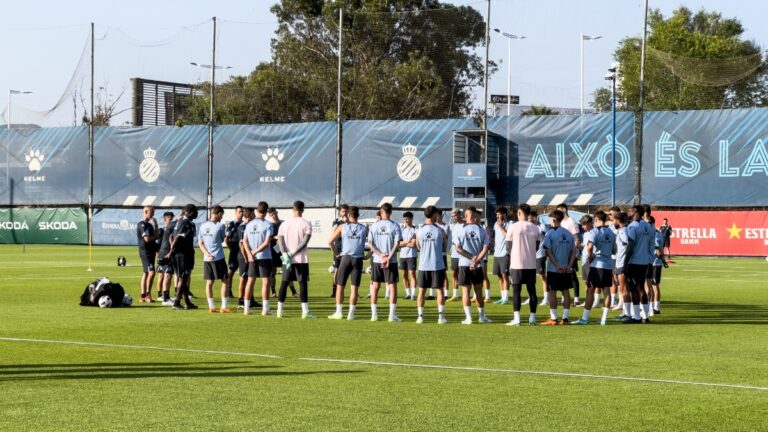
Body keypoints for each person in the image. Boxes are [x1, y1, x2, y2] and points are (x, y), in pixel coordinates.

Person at [574, 211, 615, 325]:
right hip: (607, 265)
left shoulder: (594, 231)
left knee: (590, 291)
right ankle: (604, 319)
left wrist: (591, 255)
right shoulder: (611, 232)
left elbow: (590, 246)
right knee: (607, 292)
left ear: (596, 219)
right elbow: (614, 250)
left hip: (596, 264)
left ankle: (585, 318)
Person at [328, 206, 368, 320]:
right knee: (354, 288)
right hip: (358, 259)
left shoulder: (342, 226)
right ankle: (351, 314)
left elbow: (330, 241)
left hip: (345, 258)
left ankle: (339, 312)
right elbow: (372, 244)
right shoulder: (364, 228)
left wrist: (336, 254)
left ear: (348, 215)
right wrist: (368, 255)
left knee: (340, 286)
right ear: (358, 215)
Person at [276, 200, 314, 319]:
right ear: (302, 210)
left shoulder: (284, 224)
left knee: (284, 282)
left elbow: (280, 241)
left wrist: (285, 254)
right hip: (301, 259)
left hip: (286, 259)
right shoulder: (306, 223)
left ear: (293, 209)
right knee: (302, 284)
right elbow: (304, 242)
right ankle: (305, 312)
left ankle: (279, 311)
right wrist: (292, 253)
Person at [454, 206, 491, 325]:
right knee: (478, 291)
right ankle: (481, 317)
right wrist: (476, 260)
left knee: (466, 291)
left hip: (464, 264)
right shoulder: (481, 230)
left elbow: (458, 249)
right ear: (475, 216)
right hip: (477, 265)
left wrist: (471, 259)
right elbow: (486, 248)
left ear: (466, 216)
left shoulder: (460, 229)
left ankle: (469, 318)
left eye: (466, 214)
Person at [505, 204, 540, 326]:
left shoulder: (512, 227)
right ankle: (532, 318)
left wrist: (516, 253)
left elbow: (508, 247)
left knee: (516, 292)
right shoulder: (535, 228)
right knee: (532, 291)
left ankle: (517, 318)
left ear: (519, 212)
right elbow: (536, 247)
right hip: (530, 264)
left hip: (516, 264)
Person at [367, 202, 403, 322]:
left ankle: (374, 315)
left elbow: (370, 244)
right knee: (392, 287)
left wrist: (380, 255)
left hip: (377, 260)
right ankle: (391, 316)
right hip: (391, 261)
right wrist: (388, 257)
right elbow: (397, 244)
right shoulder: (395, 226)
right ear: (391, 212)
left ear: (382, 212)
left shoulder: (374, 226)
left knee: (375, 286)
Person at [541, 209, 576, 325]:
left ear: (554, 219)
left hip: (554, 269)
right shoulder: (568, 234)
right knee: (565, 291)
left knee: (552, 292)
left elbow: (548, 251)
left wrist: (556, 265)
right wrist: (569, 266)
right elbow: (574, 251)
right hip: (566, 268)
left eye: (550, 218)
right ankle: (565, 318)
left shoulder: (550, 233)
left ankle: (554, 318)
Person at [415, 205, 448, 324]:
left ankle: (420, 317)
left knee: (421, 291)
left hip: (423, 265)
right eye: (437, 214)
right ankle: (441, 317)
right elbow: (445, 248)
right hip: (437, 265)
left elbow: (418, 247)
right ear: (434, 214)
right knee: (440, 291)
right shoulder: (440, 230)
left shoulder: (418, 231)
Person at [623, 205, 655, 324]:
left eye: (630, 210)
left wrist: (625, 263)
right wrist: (650, 258)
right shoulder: (648, 226)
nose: (628, 212)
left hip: (634, 262)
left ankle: (636, 317)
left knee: (634, 289)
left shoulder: (632, 227)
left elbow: (630, 246)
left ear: (636, 212)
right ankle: (645, 316)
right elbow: (652, 243)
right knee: (641, 287)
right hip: (644, 262)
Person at [242, 202, 275, 316]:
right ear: (266, 211)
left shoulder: (249, 224)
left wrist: (249, 253)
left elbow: (245, 241)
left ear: (256, 210)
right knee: (265, 283)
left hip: (252, 257)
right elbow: (267, 242)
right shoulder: (268, 224)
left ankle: (246, 309)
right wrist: (255, 251)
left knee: (250, 281)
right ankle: (265, 310)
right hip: (264, 257)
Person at [198, 205, 231, 313]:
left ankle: (211, 307)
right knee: (225, 281)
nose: (222, 217)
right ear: (219, 214)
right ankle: (223, 306)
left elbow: (200, 243)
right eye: (222, 215)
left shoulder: (202, 226)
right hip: (218, 257)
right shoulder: (220, 226)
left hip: (207, 258)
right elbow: (222, 239)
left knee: (209, 283)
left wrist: (206, 253)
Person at [166, 204, 199, 310]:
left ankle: (187, 302)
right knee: (183, 278)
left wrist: (172, 250)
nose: (197, 213)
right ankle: (176, 303)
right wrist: (171, 252)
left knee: (184, 278)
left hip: (184, 254)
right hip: (182, 255)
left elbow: (172, 236)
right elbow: (177, 238)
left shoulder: (185, 222)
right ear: (188, 212)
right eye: (195, 211)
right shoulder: (184, 222)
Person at [268, 207, 296, 299]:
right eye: (272, 214)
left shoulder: (283, 223)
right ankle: (273, 291)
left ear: (277, 212)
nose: (274, 215)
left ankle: (293, 291)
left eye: (275, 213)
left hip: (283, 250)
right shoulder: (269, 225)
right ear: (269, 215)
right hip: (273, 251)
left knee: (287, 269)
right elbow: (267, 238)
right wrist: (275, 238)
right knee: (273, 271)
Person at [557, 203, 582, 306]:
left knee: (572, 275)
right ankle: (564, 297)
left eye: (559, 210)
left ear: (564, 210)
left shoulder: (571, 222)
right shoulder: (559, 222)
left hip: (570, 253)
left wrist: (574, 251)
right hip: (561, 253)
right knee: (562, 275)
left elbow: (576, 238)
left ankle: (576, 298)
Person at [137, 206, 158, 303]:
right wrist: (156, 236)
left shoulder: (149, 225)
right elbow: (147, 239)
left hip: (151, 252)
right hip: (146, 252)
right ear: (145, 212)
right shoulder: (142, 224)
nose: (153, 214)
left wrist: (156, 225)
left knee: (146, 273)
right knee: (151, 273)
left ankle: (143, 295)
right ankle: (148, 295)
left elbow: (155, 233)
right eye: (151, 212)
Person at [529, 210, 550, 307]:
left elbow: (547, 238)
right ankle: (531, 297)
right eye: (528, 218)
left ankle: (546, 298)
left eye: (531, 218)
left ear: (535, 217)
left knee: (542, 277)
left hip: (540, 255)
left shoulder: (542, 227)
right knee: (530, 278)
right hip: (530, 256)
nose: (529, 220)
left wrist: (546, 252)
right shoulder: (528, 227)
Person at [648, 216, 667, 316]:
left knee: (651, 285)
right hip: (657, 263)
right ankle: (656, 307)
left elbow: (657, 250)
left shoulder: (654, 234)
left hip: (653, 263)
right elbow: (661, 250)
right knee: (655, 285)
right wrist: (663, 260)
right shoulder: (659, 233)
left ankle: (652, 308)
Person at [155, 211, 175, 305]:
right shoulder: (162, 230)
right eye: (169, 218)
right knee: (162, 275)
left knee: (168, 274)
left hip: (168, 254)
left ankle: (165, 296)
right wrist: (157, 254)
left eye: (172, 218)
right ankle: (161, 296)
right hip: (163, 254)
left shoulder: (172, 229)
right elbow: (158, 243)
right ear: (165, 219)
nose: (171, 220)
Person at [492, 207, 511, 305]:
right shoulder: (495, 224)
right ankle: (502, 297)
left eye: (500, 214)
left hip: (505, 253)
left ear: (505, 214)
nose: (498, 216)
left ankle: (506, 298)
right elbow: (497, 237)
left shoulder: (510, 224)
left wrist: (501, 227)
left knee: (505, 275)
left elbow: (508, 236)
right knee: (499, 276)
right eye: (497, 215)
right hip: (497, 253)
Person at [224, 206, 244, 298]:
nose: (241, 213)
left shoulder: (245, 224)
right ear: (235, 213)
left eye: (242, 211)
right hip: (234, 250)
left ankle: (243, 294)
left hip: (243, 251)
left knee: (243, 273)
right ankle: (228, 290)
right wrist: (231, 248)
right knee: (231, 271)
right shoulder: (232, 224)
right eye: (239, 211)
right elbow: (226, 239)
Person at [330, 204, 349, 298]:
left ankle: (353, 290)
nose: (345, 213)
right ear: (340, 212)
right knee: (336, 270)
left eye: (346, 211)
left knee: (349, 270)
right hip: (338, 249)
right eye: (343, 211)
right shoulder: (336, 222)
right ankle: (334, 290)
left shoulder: (350, 222)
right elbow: (333, 235)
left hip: (347, 249)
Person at [235, 207, 253, 308]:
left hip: (250, 255)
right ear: (249, 215)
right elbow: (241, 244)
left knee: (251, 277)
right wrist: (246, 256)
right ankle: (240, 301)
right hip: (243, 256)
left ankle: (251, 299)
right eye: (253, 214)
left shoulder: (250, 225)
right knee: (243, 278)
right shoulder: (242, 227)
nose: (254, 216)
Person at [446, 208, 464, 301]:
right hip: (454, 254)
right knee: (454, 274)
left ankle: (470, 294)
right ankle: (455, 295)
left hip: (464, 254)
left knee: (465, 274)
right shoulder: (452, 226)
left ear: (460, 214)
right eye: (452, 216)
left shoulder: (465, 225)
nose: (454, 218)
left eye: (455, 215)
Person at [399, 211, 418, 300]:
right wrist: (407, 242)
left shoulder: (415, 230)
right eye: (404, 219)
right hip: (402, 256)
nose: (406, 220)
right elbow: (398, 243)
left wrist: (404, 243)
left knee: (412, 274)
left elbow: (413, 244)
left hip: (411, 255)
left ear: (411, 219)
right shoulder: (402, 230)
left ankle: (413, 294)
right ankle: (408, 293)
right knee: (404, 275)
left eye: (407, 218)